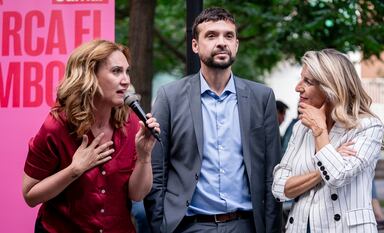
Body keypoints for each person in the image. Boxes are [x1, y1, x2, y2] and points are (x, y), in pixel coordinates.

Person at [144, 7, 282, 233]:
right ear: (195, 45)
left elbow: (271, 175)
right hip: (188, 226)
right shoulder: (170, 97)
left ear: (236, 44)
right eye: (211, 35)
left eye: (228, 36)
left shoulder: (262, 98)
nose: (222, 42)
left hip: (245, 225)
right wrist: (161, 226)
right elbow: (157, 171)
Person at [22, 39, 160, 233]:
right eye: (116, 71)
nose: (126, 80)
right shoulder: (56, 126)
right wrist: (74, 170)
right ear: (89, 76)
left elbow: (137, 195)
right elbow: (30, 195)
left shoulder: (131, 125)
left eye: (127, 71)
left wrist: (144, 156)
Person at [272, 49, 384, 232]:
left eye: (307, 81)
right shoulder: (301, 128)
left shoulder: (368, 127)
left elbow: (337, 176)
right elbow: (279, 188)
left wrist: (319, 130)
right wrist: (320, 171)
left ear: (331, 87)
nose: (298, 87)